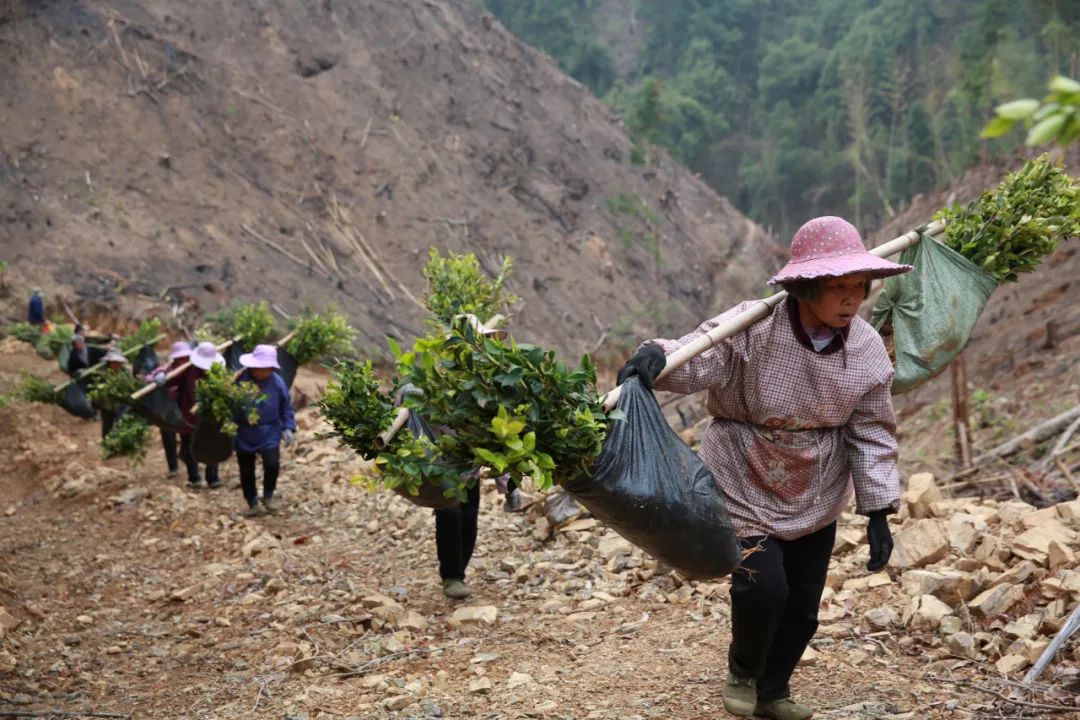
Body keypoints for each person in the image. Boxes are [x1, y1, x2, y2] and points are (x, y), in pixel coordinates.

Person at [617, 217, 908, 720]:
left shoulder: (864, 351)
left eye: (859, 288)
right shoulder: (755, 326)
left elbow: (872, 430)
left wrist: (879, 509)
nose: (851, 300)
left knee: (802, 603)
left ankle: (774, 690)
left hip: (816, 485)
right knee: (762, 586)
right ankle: (744, 669)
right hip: (744, 471)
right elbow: (700, 352)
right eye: (838, 288)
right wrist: (656, 358)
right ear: (806, 288)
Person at [427, 315, 521, 600]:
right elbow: (416, 423)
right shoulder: (437, 385)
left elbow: (497, 439)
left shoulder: (485, 390)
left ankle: (459, 573)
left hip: (470, 466)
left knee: (468, 520)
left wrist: (509, 486)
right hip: (442, 467)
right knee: (450, 516)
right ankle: (451, 576)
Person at [235, 344, 296, 516]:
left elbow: (286, 407)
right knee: (246, 470)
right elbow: (230, 407)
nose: (265, 372)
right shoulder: (239, 381)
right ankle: (252, 502)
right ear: (253, 366)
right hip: (244, 433)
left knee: (272, 464)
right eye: (262, 368)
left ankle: (268, 495)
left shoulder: (277, 383)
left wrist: (288, 427)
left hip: (269, 432)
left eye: (268, 368)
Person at [163, 341, 224, 489]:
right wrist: (161, 375)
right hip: (189, 416)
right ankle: (194, 477)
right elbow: (171, 377)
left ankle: (213, 477)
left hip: (210, 416)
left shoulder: (218, 372)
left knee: (211, 445)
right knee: (188, 447)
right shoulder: (188, 370)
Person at [145, 341, 192, 479]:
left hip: (185, 410)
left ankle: (186, 458)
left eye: (185, 358)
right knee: (168, 438)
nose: (183, 361)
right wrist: (157, 375)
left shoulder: (192, 370)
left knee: (187, 439)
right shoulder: (168, 369)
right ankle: (173, 468)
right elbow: (150, 377)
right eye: (180, 358)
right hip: (167, 410)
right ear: (175, 359)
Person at [99, 349, 130, 439]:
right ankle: (107, 443)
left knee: (122, 421)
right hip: (106, 404)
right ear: (109, 362)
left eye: (118, 362)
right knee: (107, 425)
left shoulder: (125, 372)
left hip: (121, 402)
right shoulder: (102, 373)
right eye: (114, 362)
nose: (116, 365)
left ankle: (121, 442)